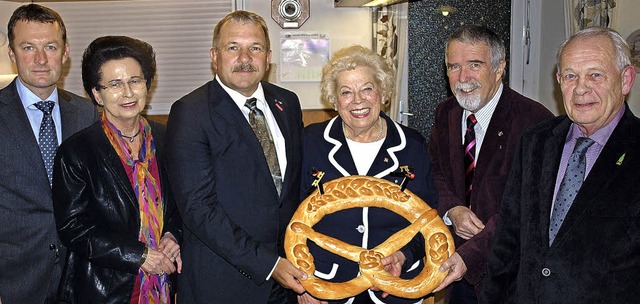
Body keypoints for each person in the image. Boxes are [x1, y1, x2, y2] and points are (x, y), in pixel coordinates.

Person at [481, 26, 640, 303]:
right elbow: (507, 243)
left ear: (626, 79)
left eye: (595, 75)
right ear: (558, 81)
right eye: (570, 76)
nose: (580, 88)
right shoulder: (536, 141)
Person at [164, 10, 307, 303]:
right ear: (214, 56)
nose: (245, 58)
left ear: (268, 58)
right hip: (224, 282)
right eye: (233, 47)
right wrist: (268, 264)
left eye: (255, 48)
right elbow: (199, 210)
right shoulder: (190, 113)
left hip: (287, 279)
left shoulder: (287, 103)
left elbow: (293, 191)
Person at [297, 45, 439, 304]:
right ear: (334, 100)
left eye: (367, 88)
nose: (358, 101)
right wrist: (303, 282)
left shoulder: (412, 146)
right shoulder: (310, 142)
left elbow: (429, 222)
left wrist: (404, 254)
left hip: (394, 287)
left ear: (382, 92)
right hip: (327, 285)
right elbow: (292, 218)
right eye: (346, 92)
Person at [51, 36, 182, 303]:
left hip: (163, 284)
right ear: (97, 94)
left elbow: (181, 204)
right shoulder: (77, 151)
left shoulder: (168, 139)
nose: (128, 93)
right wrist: (139, 255)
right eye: (114, 84)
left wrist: (173, 234)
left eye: (135, 81)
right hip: (105, 289)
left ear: (148, 84)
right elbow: (73, 228)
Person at [428, 25, 553, 303]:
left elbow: (527, 207)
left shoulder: (535, 122)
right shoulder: (445, 113)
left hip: (508, 277)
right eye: (454, 66)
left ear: (499, 69)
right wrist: (453, 209)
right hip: (456, 269)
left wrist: (471, 254)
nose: (462, 78)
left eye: (474, 65)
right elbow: (435, 172)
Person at [0, 4, 98, 303]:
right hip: (14, 280)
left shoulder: (87, 113)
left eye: (50, 47)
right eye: (28, 47)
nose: (41, 59)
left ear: (65, 53)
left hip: (81, 275)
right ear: (11, 54)